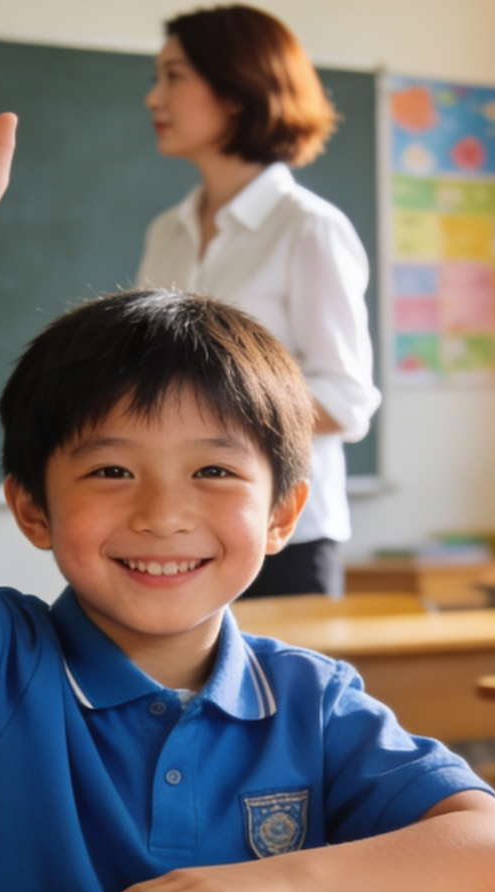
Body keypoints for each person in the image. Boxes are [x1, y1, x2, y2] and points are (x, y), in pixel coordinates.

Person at [0, 15, 495, 892]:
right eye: (113, 469)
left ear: (285, 512)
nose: (164, 514)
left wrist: (268, 884)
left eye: (212, 470)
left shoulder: (311, 700)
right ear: (31, 508)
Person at [138, 6, 377, 598]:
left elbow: (347, 402)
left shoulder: (309, 229)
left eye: (173, 77)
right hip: (176, 532)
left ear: (237, 91)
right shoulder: (166, 232)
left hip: (281, 537)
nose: (153, 98)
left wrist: (211, 399)